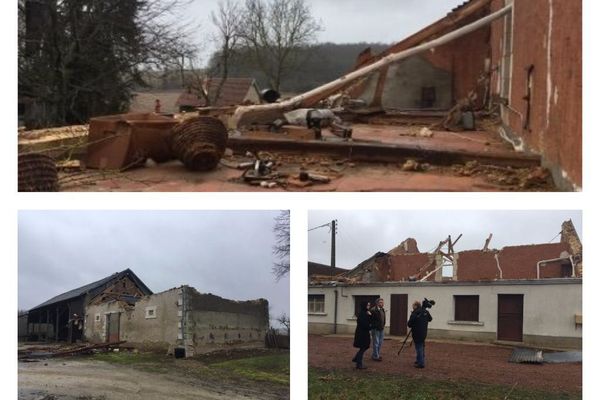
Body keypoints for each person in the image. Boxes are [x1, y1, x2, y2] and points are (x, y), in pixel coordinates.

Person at [407, 300, 432, 369]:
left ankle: (421, 363)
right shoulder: (425, 312)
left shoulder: (415, 312)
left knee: (419, 348)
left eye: (413, 306)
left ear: (415, 306)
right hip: (424, 332)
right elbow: (430, 319)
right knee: (421, 347)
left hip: (417, 333)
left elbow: (409, 324)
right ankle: (419, 360)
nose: (412, 307)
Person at [352, 301, 372, 369]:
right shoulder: (362, 314)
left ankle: (356, 358)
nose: (369, 307)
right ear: (364, 306)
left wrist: (369, 315)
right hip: (362, 333)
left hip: (364, 333)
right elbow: (365, 324)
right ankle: (359, 364)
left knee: (365, 347)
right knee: (363, 347)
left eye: (369, 305)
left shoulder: (366, 313)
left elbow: (369, 321)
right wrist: (370, 327)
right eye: (368, 305)